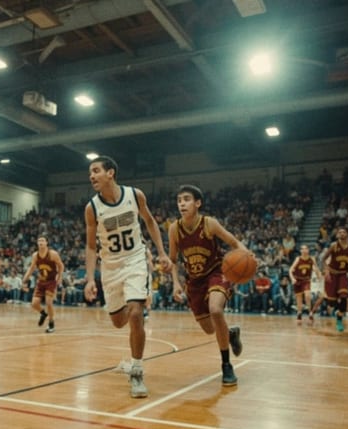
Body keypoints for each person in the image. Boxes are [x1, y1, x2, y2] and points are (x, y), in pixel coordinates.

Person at [83, 156, 172, 398]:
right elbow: (91, 247)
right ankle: (138, 307)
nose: (91, 176)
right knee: (118, 321)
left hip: (135, 260)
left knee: (135, 312)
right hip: (110, 268)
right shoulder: (92, 208)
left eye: (96, 171)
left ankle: (137, 370)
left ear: (110, 173)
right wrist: (90, 278)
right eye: (90, 172)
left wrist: (162, 252)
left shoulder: (135, 195)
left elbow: (151, 222)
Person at [168, 185, 246, 386]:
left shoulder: (209, 224)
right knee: (210, 329)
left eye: (186, 199)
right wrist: (175, 283)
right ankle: (230, 333)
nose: (182, 203)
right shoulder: (174, 229)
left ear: (198, 203)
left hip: (216, 272)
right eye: (179, 200)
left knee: (216, 310)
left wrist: (247, 256)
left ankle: (226, 365)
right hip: (194, 281)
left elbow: (234, 242)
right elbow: (173, 260)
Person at [311, 227, 348, 332]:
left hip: (342, 275)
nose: (341, 233)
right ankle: (337, 311)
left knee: (344, 297)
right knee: (331, 303)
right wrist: (326, 271)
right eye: (339, 232)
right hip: (332, 274)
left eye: (343, 232)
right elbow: (323, 259)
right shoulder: (333, 246)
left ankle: (339, 319)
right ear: (337, 235)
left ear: (347, 234)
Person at [22, 235, 64, 333]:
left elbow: (61, 266)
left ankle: (51, 323)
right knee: (34, 304)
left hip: (51, 281)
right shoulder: (35, 255)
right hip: (41, 281)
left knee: (49, 302)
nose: (40, 242)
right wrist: (25, 278)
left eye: (43, 240)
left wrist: (60, 276)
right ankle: (43, 313)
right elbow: (32, 268)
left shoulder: (53, 254)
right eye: (39, 240)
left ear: (46, 243)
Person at [289, 244, 322, 324]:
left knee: (307, 295)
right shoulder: (298, 259)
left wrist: (319, 276)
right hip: (297, 280)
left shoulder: (312, 259)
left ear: (308, 250)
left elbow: (316, 268)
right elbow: (290, 270)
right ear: (300, 251)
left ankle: (310, 311)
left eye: (305, 249)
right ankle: (299, 313)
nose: (304, 250)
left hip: (306, 280)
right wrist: (292, 278)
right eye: (302, 249)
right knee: (299, 298)